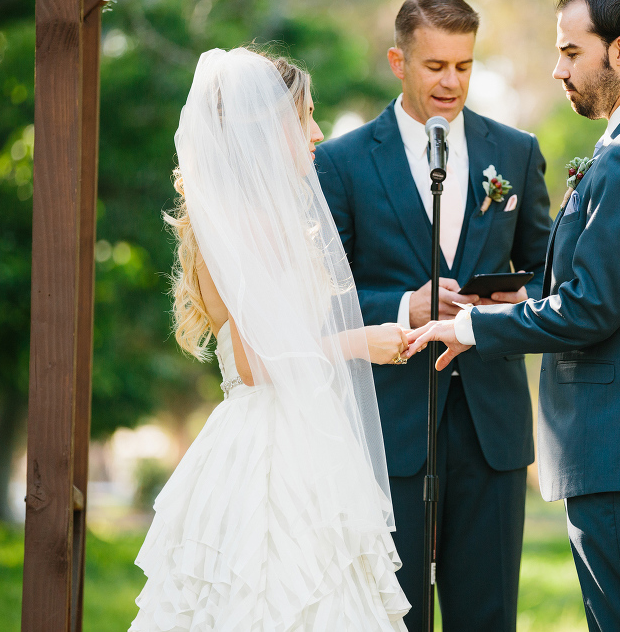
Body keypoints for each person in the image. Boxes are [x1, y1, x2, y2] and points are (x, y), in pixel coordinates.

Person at [408, 0, 620, 631]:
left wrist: (472, 324)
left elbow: (590, 311)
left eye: (571, 51)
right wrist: (534, 297)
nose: (558, 69)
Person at [129, 47, 411, 631]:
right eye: (304, 116)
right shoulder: (246, 225)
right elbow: (257, 364)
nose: (317, 131)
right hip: (269, 449)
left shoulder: (240, 216)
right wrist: (362, 342)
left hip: (286, 430)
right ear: (267, 129)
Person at [315, 0, 553, 631]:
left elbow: (546, 277)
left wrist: (513, 299)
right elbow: (320, 299)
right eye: (435, 66)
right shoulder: (340, 162)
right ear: (398, 61)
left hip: (490, 426)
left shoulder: (517, 153)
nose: (452, 82)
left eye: (464, 66)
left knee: (488, 614)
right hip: (390, 427)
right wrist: (404, 305)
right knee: (395, 615)